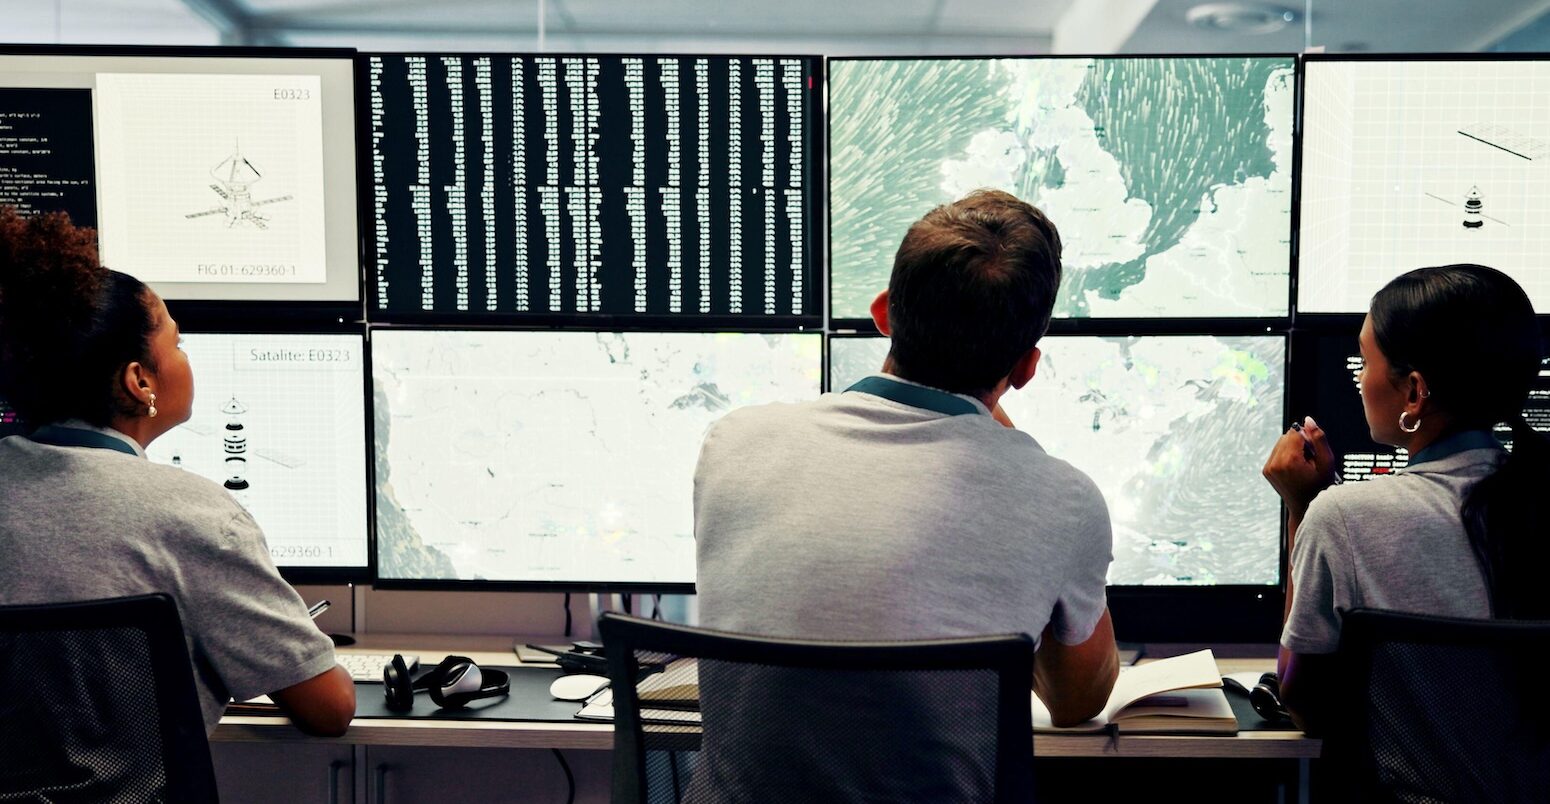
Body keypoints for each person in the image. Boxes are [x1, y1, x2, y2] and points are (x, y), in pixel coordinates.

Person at [690, 190, 1118, 798]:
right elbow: (1077, 703)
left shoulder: (733, 442)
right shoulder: (1061, 497)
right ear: (1026, 368)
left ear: (884, 313)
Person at [0, 208, 355, 737]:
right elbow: (328, 708)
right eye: (178, 342)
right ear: (140, 381)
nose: (186, 358)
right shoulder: (191, 515)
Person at [1263, 263, 1547, 734]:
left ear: (1414, 391)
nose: (1359, 381)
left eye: (1364, 362)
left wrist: (1303, 508)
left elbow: (1304, 703)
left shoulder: (1343, 519)